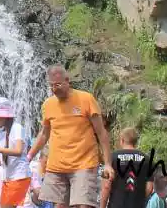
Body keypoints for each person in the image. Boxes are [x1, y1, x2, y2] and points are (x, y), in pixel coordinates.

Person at [26, 65, 113, 208]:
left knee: (82, 205)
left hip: (84, 164)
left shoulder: (86, 99)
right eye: (51, 86)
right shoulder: (48, 104)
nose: (55, 89)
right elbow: (43, 134)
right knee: (59, 206)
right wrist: (28, 157)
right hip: (56, 166)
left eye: (58, 84)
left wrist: (108, 164)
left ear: (68, 81)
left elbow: (101, 132)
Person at [0, 97, 33, 207]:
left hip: (20, 176)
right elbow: (2, 161)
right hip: (8, 178)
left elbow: (18, 150)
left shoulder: (17, 128)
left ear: (4, 116)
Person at [101, 128, 152, 208]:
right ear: (136, 142)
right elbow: (149, 188)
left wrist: (102, 206)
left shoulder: (112, 157)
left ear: (122, 140)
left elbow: (106, 186)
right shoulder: (147, 159)